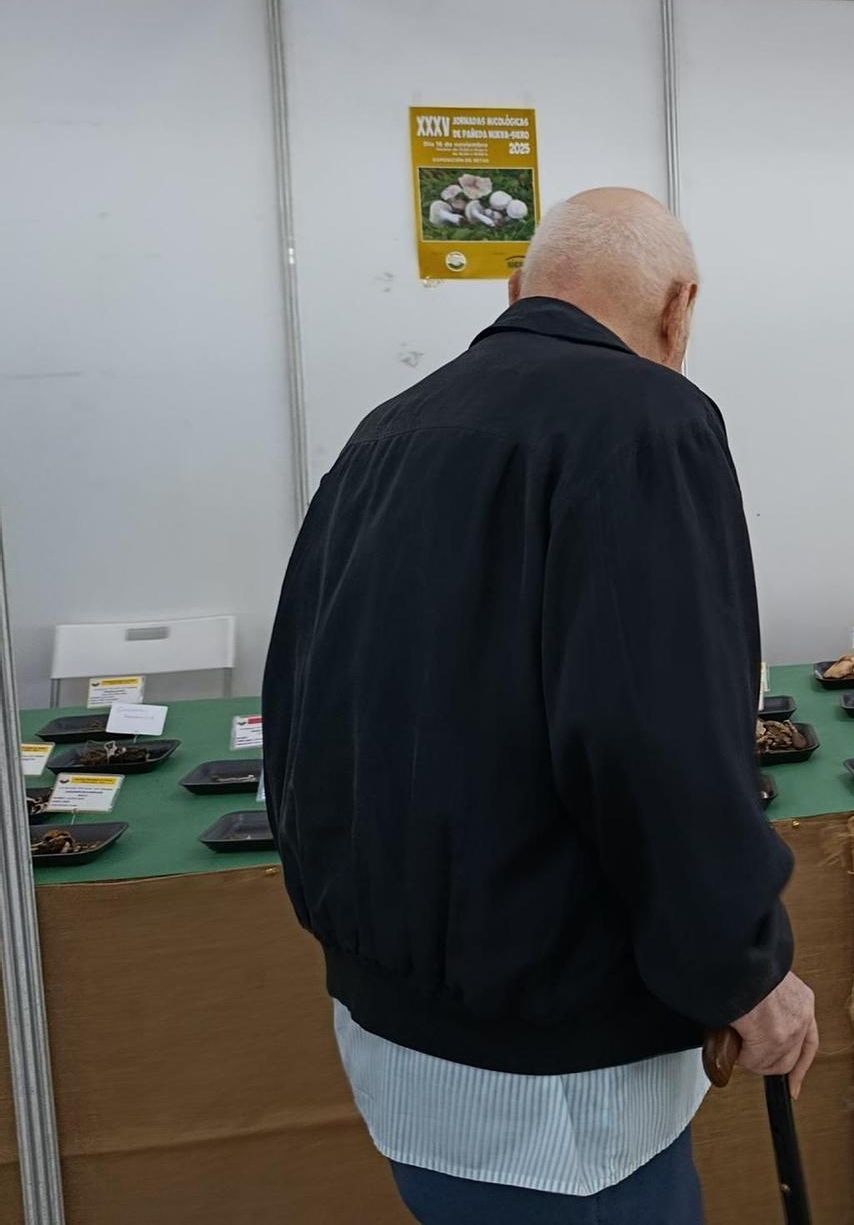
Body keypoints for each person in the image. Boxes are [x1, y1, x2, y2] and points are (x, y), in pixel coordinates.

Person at [263, 189, 815, 1224]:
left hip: (397, 1022)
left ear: (512, 292)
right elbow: (652, 737)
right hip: (559, 1064)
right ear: (679, 307)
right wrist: (745, 971)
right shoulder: (650, 421)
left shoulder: (390, 429)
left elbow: (299, 701)